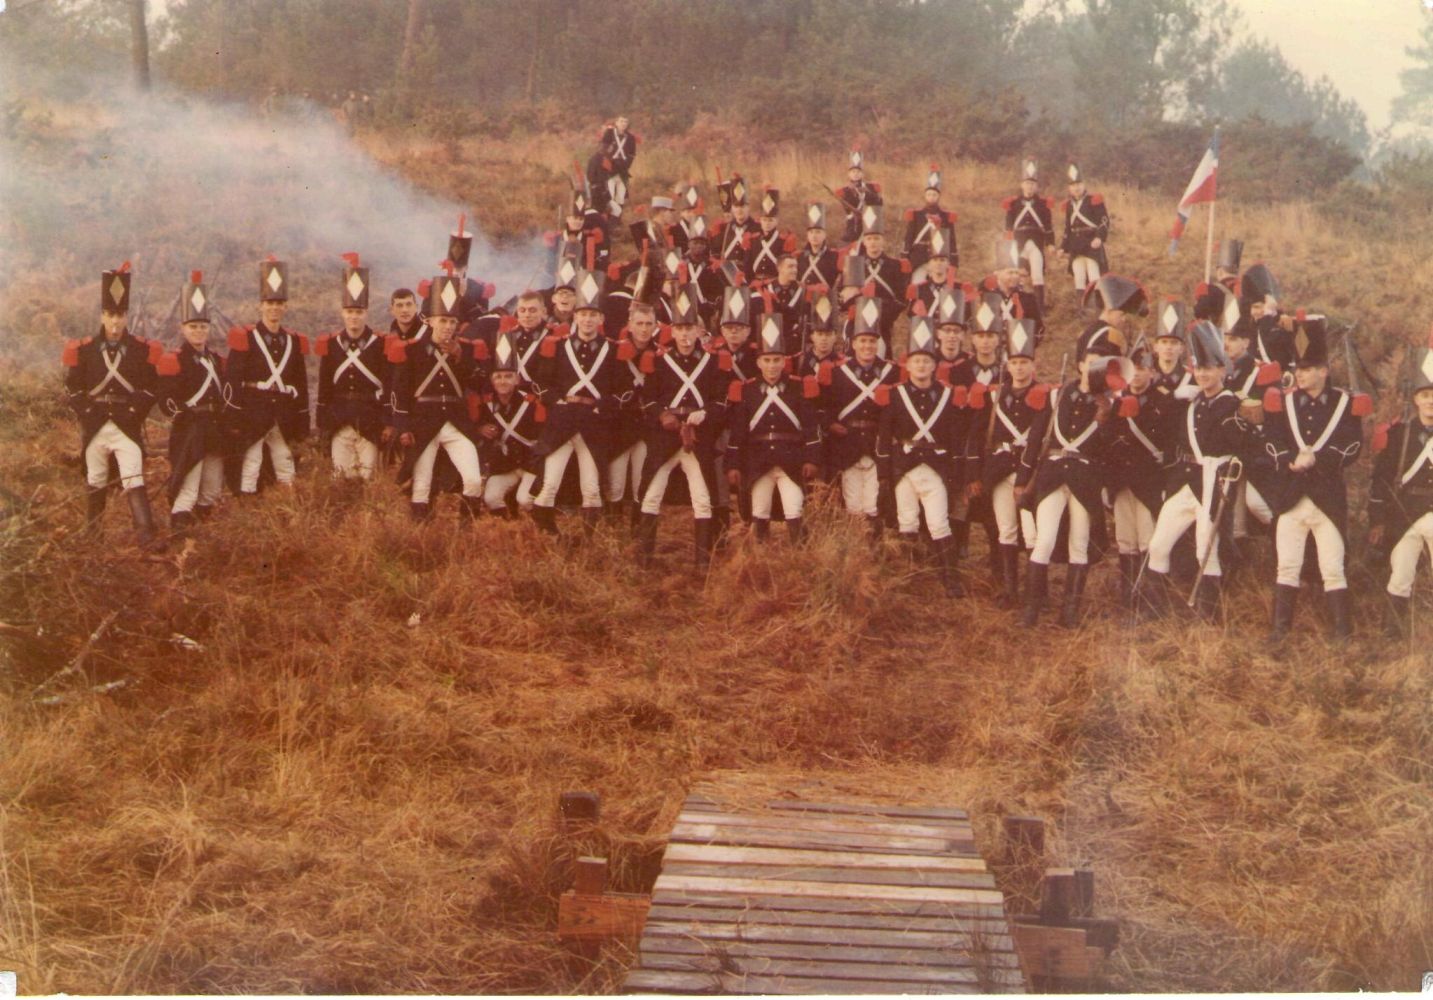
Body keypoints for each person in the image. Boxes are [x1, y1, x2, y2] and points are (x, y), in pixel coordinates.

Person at [1135, 321, 1260, 621]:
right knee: (1159, 544)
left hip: (1213, 481)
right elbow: (1161, 425)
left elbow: (1246, 446)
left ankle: (1209, 616)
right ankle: (1153, 612)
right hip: (1184, 481)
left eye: (1210, 369)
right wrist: (1174, 397)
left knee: (1207, 548)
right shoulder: (1191, 402)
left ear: (1222, 370)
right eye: (1199, 369)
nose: (1203, 375)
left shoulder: (1233, 403)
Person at [1256, 316, 1366, 641]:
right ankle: (1279, 632)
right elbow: (1271, 440)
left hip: (1327, 497)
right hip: (1291, 496)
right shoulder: (1284, 402)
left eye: (1306, 369)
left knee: (1333, 568)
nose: (1300, 374)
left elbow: (1352, 446)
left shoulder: (1344, 403)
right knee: (1287, 566)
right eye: (1298, 368)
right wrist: (1290, 460)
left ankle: (1342, 634)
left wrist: (1317, 458)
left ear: (1323, 371)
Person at [64, 261, 164, 550]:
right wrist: (87, 412)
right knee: (95, 478)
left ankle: (146, 535)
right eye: (110, 315)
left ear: (126, 316)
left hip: (126, 423)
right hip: (95, 422)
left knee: (134, 476)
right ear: (102, 315)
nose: (115, 322)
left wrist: (134, 412)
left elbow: (151, 387)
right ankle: (93, 536)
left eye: (120, 315)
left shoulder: (142, 350)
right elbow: (73, 388)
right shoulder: (84, 350)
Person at [1018, 346, 1120, 627]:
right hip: (1052, 475)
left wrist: (1105, 421)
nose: (1095, 369)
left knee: (1079, 544)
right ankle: (1031, 609)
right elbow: (1035, 440)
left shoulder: (1110, 403)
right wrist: (1022, 480)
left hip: (1085, 480)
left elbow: (1110, 449)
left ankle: (1070, 612)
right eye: (1091, 363)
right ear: (1080, 365)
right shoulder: (1056, 395)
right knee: (1044, 541)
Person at [634, 285, 728, 568]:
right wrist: (662, 415)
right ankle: (644, 559)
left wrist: (704, 414)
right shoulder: (659, 361)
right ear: (671, 331)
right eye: (680, 329)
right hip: (666, 436)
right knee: (652, 494)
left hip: (698, 436)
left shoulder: (712, 362)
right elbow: (648, 399)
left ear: (699, 331)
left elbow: (720, 402)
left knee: (702, 497)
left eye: (690, 328)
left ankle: (702, 562)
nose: (685, 335)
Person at [528, 270, 625, 535]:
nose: (587, 319)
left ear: (601, 318)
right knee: (550, 484)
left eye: (593, 314)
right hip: (562, 422)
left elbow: (624, 390)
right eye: (583, 314)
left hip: (593, 423)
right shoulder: (559, 346)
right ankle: (547, 536)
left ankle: (588, 540)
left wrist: (602, 406)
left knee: (591, 488)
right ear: (575, 316)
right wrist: (556, 401)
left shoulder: (613, 349)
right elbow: (540, 382)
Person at [877, 317, 965, 596]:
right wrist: (884, 473)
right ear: (907, 365)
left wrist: (954, 474)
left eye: (927, 361)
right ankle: (910, 577)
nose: (922, 366)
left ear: (934, 365)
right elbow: (884, 437)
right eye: (916, 361)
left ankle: (951, 579)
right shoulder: (895, 395)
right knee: (907, 520)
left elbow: (954, 438)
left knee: (939, 523)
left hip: (935, 467)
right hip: (904, 466)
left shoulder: (947, 396)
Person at [389, 272, 485, 521]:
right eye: (443, 320)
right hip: (423, 423)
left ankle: (466, 530)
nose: (448, 326)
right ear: (431, 321)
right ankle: (421, 532)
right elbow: (400, 393)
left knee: (474, 480)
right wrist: (403, 427)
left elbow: (478, 383)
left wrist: (460, 356)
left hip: (456, 422)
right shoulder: (412, 350)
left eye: (453, 321)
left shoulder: (465, 350)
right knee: (421, 485)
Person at [965, 317, 1046, 609]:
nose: (1019, 368)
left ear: (1033, 365)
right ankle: (1010, 591)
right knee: (1006, 529)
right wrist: (974, 475)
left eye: (1025, 362)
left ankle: (1038, 592)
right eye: (1015, 362)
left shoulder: (1045, 396)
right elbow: (975, 437)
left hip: (1030, 472)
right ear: (1007, 365)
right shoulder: (994, 396)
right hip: (999, 470)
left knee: (1034, 534)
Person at [725, 315, 822, 543]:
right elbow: (738, 431)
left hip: (791, 460)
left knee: (794, 509)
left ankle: (801, 557)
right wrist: (733, 464)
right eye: (767, 360)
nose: (772, 365)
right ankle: (761, 557)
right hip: (758, 460)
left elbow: (810, 426)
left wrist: (812, 459)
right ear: (759, 362)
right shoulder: (747, 390)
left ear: (784, 361)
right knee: (760, 511)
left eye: (776, 360)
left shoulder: (798, 387)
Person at [156, 270, 233, 532]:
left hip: (214, 429)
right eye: (193, 327)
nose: (199, 331)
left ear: (208, 328)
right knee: (187, 489)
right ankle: (179, 537)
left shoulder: (217, 360)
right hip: (190, 430)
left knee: (211, 489)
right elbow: (166, 400)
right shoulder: (175, 359)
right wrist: (184, 415)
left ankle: (198, 537)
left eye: (202, 326)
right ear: (183, 328)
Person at [227, 256, 309, 497]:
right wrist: (233, 417)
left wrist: (302, 417)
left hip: (283, 412)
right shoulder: (246, 336)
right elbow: (232, 379)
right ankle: (247, 507)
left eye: (279, 303)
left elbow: (300, 382)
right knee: (251, 461)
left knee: (285, 460)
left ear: (285, 307)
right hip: (253, 411)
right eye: (269, 303)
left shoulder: (294, 340)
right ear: (261, 306)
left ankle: (288, 506)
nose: (274, 308)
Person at [1369, 337, 1433, 639]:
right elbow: (1381, 479)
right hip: (1405, 511)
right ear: (1416, 400)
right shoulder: (1400, 434)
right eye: (1425, 395)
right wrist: (1378, 520)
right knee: (1401, 572)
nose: (1430, 401)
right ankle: (1391, 634)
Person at [823, 300, 899, 535]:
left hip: (877, 443)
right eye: (863, 341)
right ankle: (856, 548)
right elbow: (825, 407)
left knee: (875, 503)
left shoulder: (892, 372)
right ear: (853, 343)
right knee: (853, 501)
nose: (867, 346)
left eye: (872, 341)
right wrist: (831, 424)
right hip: (848, 443)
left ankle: (876, 547)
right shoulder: (838, 373)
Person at [314, 253, 392, 481]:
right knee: (340, 479)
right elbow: (325, 387)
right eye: (350, 312)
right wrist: (323, 423)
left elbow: (387, 384)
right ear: (343, 313)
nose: (354, 317)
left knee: (369, 479)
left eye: (358, 312)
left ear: (366, 313)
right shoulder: (331, 344)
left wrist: (387, 421)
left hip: (370, 421)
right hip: (339, 420)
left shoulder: (380, 344)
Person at [1101, 338, 1167, 607]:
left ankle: (1150, 601)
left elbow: (1168, 445)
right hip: (1120, 480)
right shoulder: (1115, 402)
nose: (1137, 374)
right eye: (1133, 369)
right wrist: (1107, 483)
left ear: (1152, 372)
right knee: (1125, 540)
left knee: (1148, 539)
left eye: (1142, 369)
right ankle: (1128, 598)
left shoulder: (1164, 401)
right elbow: (1106, 443)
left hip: (1148, 481)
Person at [605, 301, 662, 524]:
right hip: (620, 425)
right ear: (630, 325)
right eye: (639, 323)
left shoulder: (661, 354)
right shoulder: (613, 351)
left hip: (647, 425)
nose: (644, 329)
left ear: (655, 326)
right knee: (616, 482)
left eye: (649, 324)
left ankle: (638, 530)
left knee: (641, 479)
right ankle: (612, 532)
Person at [477, 331, 542, 517]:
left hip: (532, 464)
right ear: (492, 380)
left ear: (517, 379)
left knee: (525, 499)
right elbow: (477, 426)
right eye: (498, 377)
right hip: (507, 465)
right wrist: (480, 429)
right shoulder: (486, 404)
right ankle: (507, 527)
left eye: (508, 376)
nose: (503, 381)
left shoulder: (532, 403)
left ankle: (539, 527)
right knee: (491, 498)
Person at [838, 206, 909, 355]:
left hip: (882, 324)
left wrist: (879, 312)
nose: (873, 242)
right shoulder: (854, 265)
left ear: (883, 240)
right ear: (864, 241)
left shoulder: (895, 266)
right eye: (869, 238)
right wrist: (855, 308)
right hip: (857, 324)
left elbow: (901, 300)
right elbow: (843, 299)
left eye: (876, 238)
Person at [1002, 158, 1055, 312]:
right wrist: (1008, 245)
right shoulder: (1013, 204)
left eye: (1032, 184)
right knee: (1017, 276)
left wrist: (1050, 244)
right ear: (1022, 185)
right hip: (1018, 243)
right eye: (1027, 183)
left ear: (1036, 186)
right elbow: (1008, 227)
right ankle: (1017, 308)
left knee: (1037, 274)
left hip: (1036, 242)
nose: (1030, 186)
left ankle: (1039, 309)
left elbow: (1048, 226)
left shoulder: (1043, 205)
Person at [1060, 163, 1110, 295]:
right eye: (1073, 185)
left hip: (1091, 243)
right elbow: (1068, 228)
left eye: (1078, 184)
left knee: (1094, 277)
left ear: (1083, 184)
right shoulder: (1069, 205)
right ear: (1069, 188)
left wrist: (1099, 237)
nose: (1076, 188)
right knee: (1079, 279)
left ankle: (1096, 306)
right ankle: (1081, 307)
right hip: (1076, 245)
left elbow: (1104, 221)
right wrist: (1063, 247)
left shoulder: (1093, 200)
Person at [986, 237, 1045, 345]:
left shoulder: (1028, 299)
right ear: (998, 273)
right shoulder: (989, 298)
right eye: (1010, 273)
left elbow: (1038, 329)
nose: (1014, 276)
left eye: (1016, 273)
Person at [903, 166, 959, 273]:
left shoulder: (946, 216)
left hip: (939, 257)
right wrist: (905, 256)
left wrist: (954, 261)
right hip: (918, 258)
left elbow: (951, 240)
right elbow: (909, 237)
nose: (931, 197)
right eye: (929, 194)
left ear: (938, 196)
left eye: (934, 195)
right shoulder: (916, 215)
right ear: (925, 196)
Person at [744, 188, 797, 284]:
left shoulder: (783, 242)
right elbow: (747, 267)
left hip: (775, 285)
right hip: (755, 284)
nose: (767, 223)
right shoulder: (752, 240)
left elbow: (786, 268)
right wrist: (750, 284)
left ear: (776, 221)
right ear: (760, 220)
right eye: (764, 220)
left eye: (770, 220)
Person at [835, 150, 883, 246]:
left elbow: (879, 203)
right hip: (852, 227)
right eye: (853, 172)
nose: (855, 174)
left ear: (862, 174)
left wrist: (867, 193)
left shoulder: (871, 188)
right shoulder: (844, 191)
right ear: (849, 174)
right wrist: (853, 193)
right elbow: (847, 209)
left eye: (858, 171)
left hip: (869, 226)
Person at [712, 174, 759, 270]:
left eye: (742, 206)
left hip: (748, 274)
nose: (739, 210)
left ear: (748, 207)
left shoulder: (757, 228)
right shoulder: (724, 228)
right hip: (728, 274)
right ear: (732, 208)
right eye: (736, 206)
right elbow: (716, 254)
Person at [797, 203, 840, 289]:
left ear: (824, 235)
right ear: (807, 235)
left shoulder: (834, 257)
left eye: (818, 232)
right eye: (811, 232)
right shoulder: (800, 257)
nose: (814, 236)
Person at [598, 115, 638, 183]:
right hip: (610, 166)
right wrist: (608, 162)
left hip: (623, 167)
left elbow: (632, 154)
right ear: (616, 123)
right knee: (608, 187)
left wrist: (627, 164)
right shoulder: (609, 133)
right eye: (621, 121)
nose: (624, 123)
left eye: (626, 122)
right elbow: (603, 149)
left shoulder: (630, 137)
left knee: (624, 187)